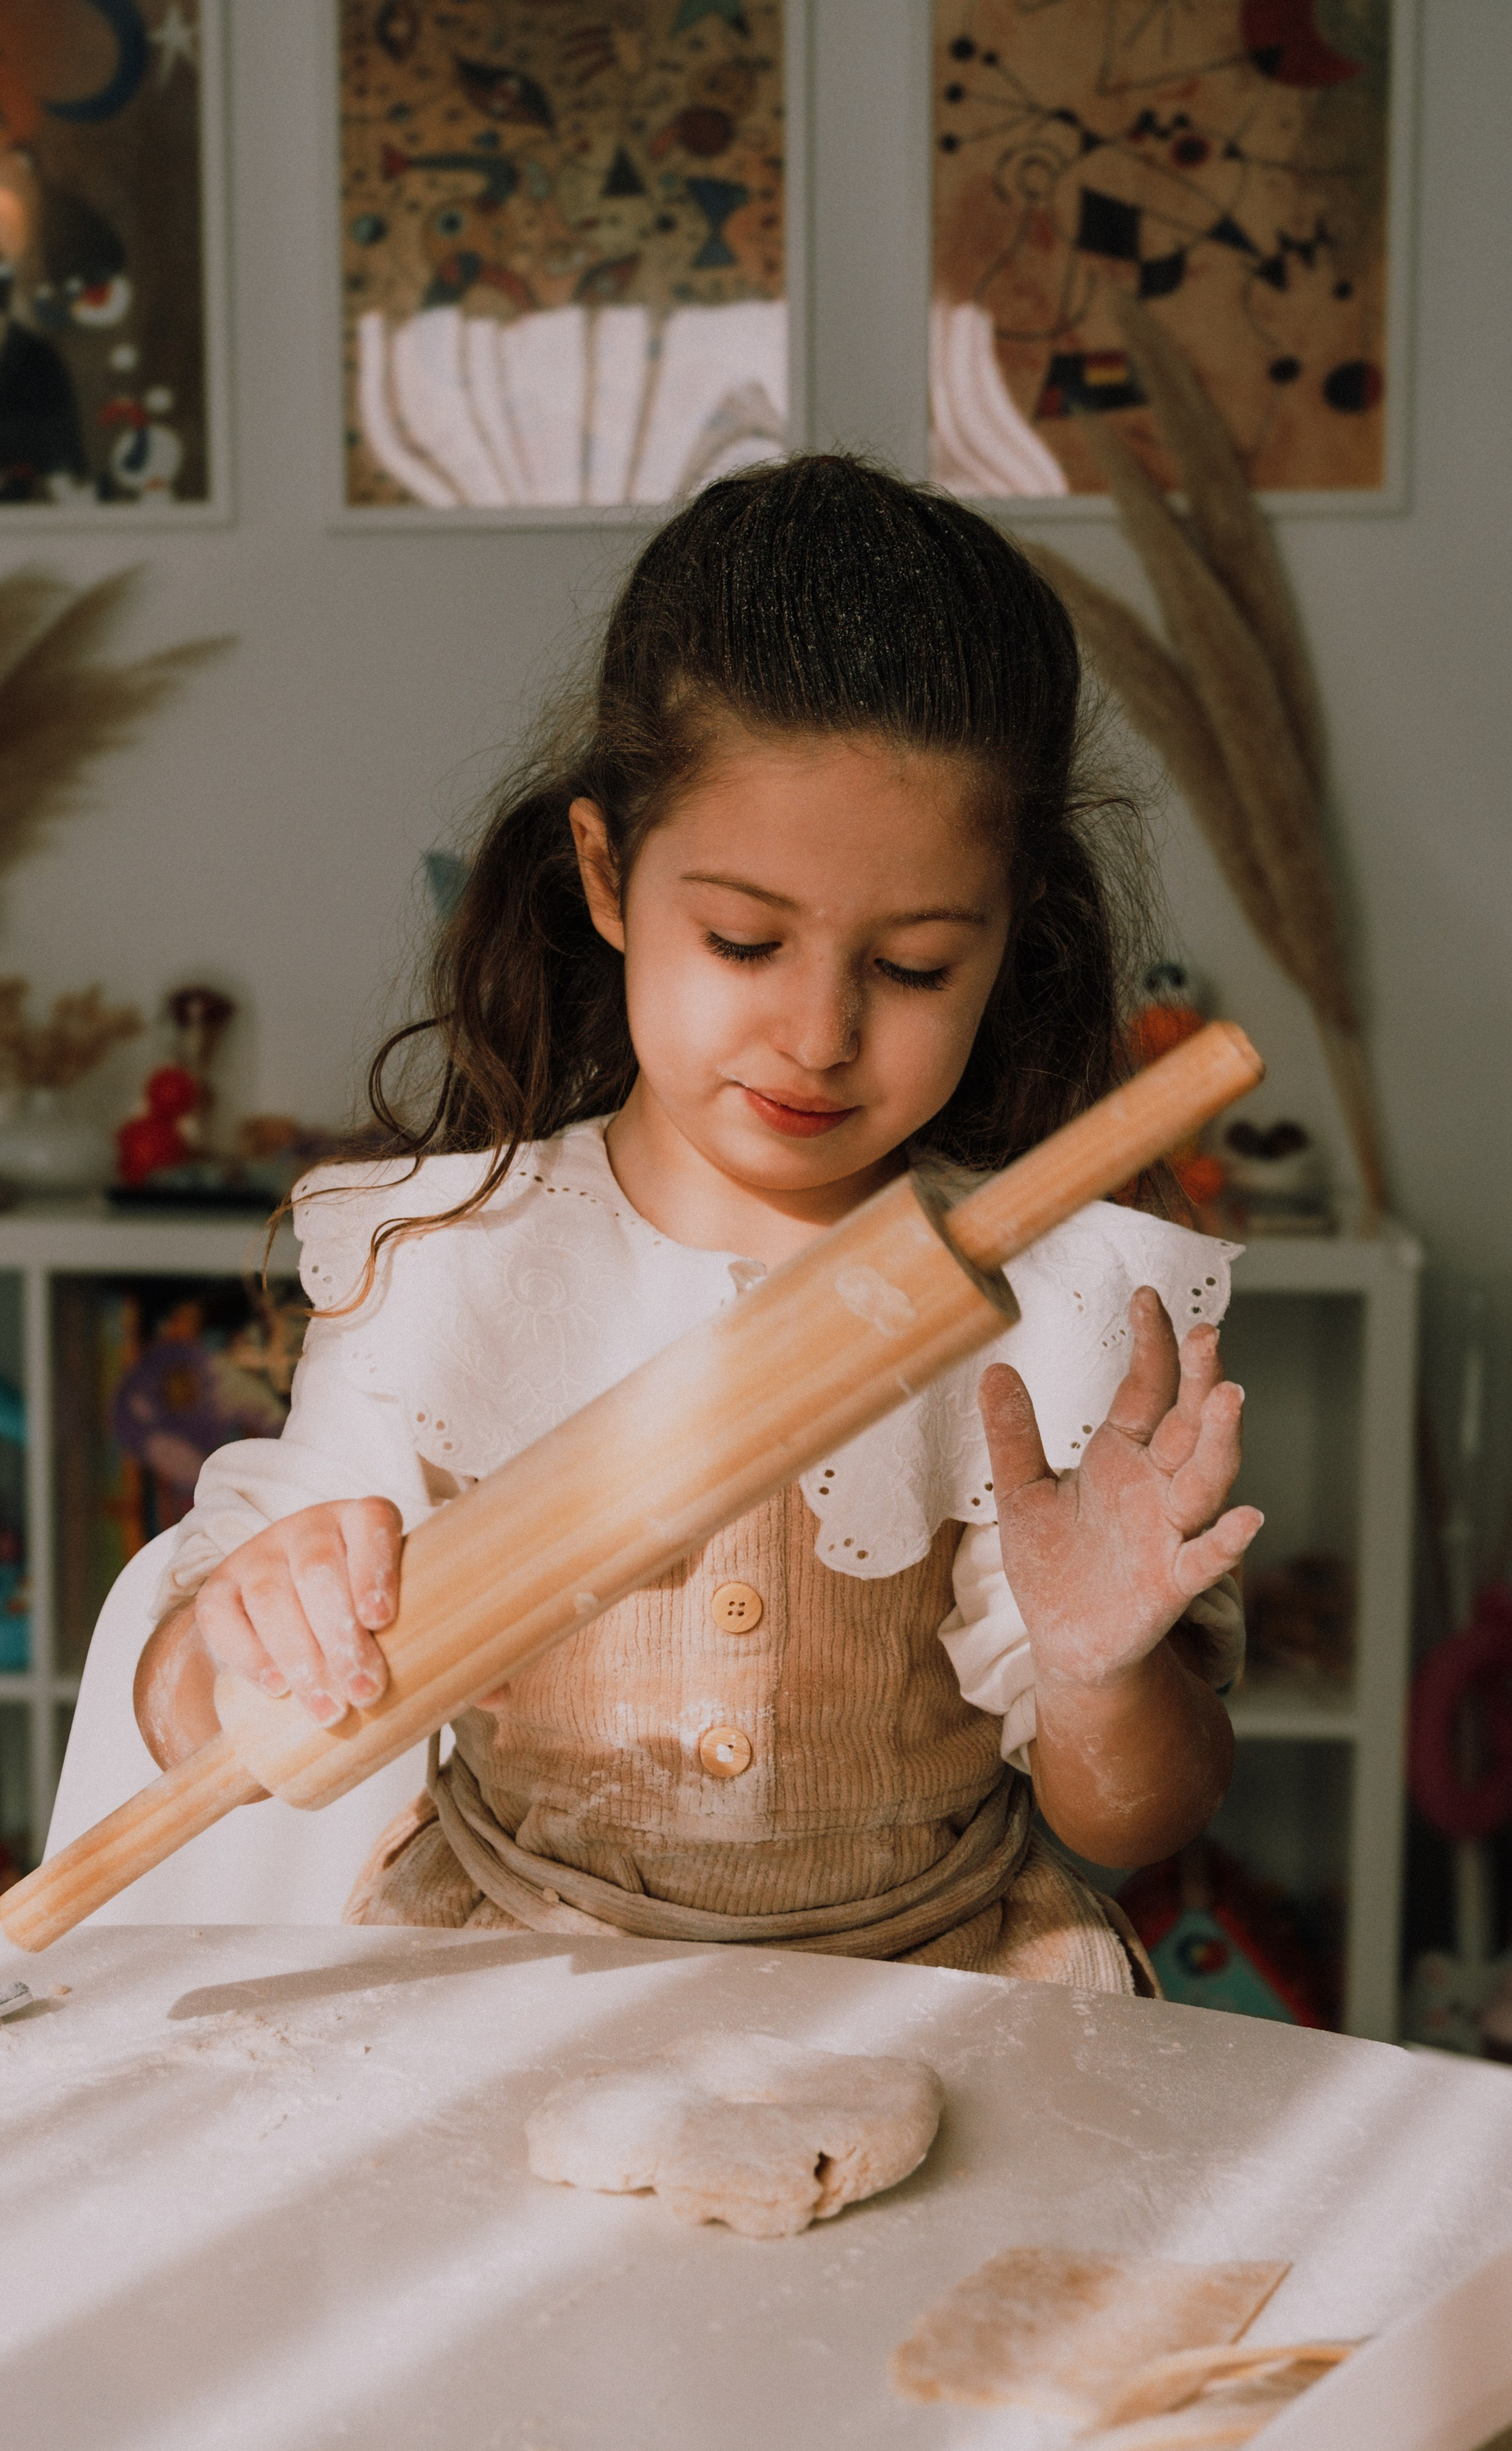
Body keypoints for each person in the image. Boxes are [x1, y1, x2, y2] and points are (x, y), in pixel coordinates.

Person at [131, 456, 1259, 1988]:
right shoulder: (451, 1265)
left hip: (933, 1985)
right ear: (606, 873)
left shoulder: (1066, 1309)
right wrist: (248, 1628)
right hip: (501, 1985)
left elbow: (1133, 1817)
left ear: (1012, 937)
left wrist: (1098, 1665)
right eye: (742, 939)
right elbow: (204, 1721)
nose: (816, 1032)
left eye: (915, 965)